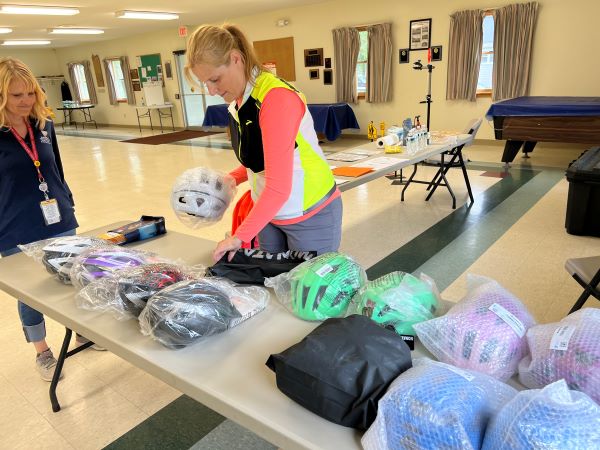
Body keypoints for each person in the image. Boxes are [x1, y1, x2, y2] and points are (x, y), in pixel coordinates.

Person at [185, 24, 343, 262]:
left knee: (309, 294)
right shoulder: (240, 101)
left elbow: (279, 186)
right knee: (273, 289)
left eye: (215, 79)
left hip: (309, 211)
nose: (211, 90)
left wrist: (238, 237)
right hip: (270, 213)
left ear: (235, 59)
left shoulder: (275, 99)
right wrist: (232, 178)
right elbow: (263, 157)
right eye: (205, 83)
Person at [0, 57, 86, 381]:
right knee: (30, 292)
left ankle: (79, 331)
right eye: (16, 95)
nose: (26, 101)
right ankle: (42, 351)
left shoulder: (44, 126)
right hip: (14, 227)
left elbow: (56, 170)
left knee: (71, 277)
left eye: (30, 93)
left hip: (59, 218)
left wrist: (68, 204)